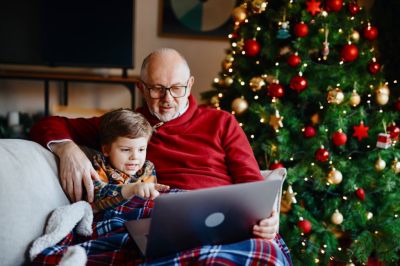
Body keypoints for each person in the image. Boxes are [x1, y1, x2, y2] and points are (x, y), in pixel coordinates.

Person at [30, 48, 292, 264]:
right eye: (157, 89)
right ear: (141, 87)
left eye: (177, 88)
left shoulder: (222, 122)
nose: (168, 99)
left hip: (218, 217)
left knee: (264, 255)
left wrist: (267, 218)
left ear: (190, 85)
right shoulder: (127, 126)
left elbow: (252, 183)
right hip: (155, 215)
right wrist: (67, 148)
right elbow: (46, 125)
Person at [87, 108, 169, 213]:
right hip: (113, 219)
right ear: (106, 149)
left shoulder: (147, 168)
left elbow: (149, 201)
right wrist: (131, 189)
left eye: (141, 149)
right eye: (126, 150)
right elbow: (97, 199)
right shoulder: (100, 164)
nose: (134, 157)